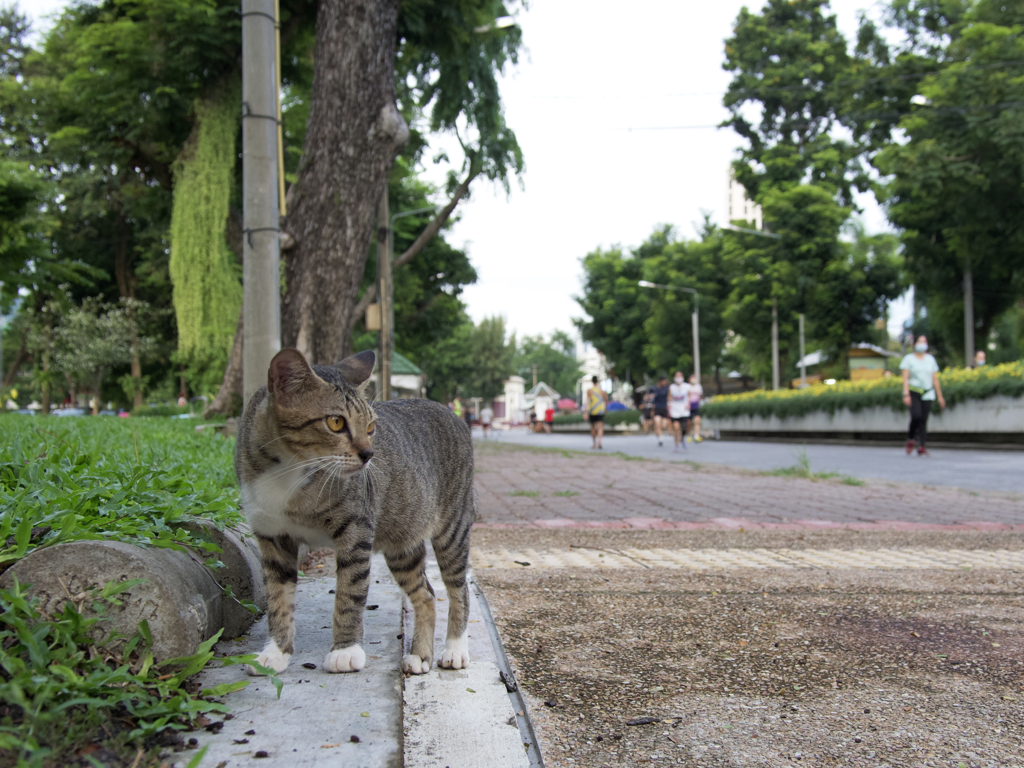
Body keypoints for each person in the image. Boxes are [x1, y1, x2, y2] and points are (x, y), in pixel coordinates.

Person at [900, 335, 946, 457]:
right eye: (920, 341)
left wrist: (940, 396)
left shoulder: (930, 359)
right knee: (916, 416)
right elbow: (905, 378)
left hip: (928, 392)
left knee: (923, 420)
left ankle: (922, 446)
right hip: (913, 392)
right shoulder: (908, 359)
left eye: (924, 341)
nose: (922, 344)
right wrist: (906, 394)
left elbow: (935, 379)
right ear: (914, 344)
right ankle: (911, 438)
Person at [667, 371, 691, 453]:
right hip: (675, 410)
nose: (678, 378)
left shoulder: (687, 386)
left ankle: (683, 439)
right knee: (676, 428)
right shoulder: (672, 387)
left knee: (685, 428)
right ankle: (676, 445)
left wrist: (688, 403)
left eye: (680, 376)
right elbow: (669, 397)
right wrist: (669, 404)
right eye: (677, 376)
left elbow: (689, 396)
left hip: (684, 410)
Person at [585, 375, 609, 449]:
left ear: (592, 381)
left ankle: (594, 443)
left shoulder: (589, 391)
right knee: (600, 427)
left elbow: (587, 402)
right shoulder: (602, 391)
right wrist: (605, 409)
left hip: (592, 411)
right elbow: (606, 401)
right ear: (597, 381)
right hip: (600, 411)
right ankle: (600, 441)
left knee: (592, 427)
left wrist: (585, 412)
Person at [651, 375, 670, 447]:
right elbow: (650, 398)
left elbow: (669, 397)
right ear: (660, 381)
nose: (665, 382)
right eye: (664, 381)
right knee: (657, 423)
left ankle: (658, 433)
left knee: (664, 425)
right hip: (657, 408)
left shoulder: (667, 389)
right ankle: (660, 438)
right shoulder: (654, 388)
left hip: (664, 408)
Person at [687, 373, 703, 443]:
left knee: (697, 421)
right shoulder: (687, 387)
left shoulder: (698, 387)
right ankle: (688, 435)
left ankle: (696, 436)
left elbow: (700, 396)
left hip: (696, 406)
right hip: (688, 406)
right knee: (689, 423)